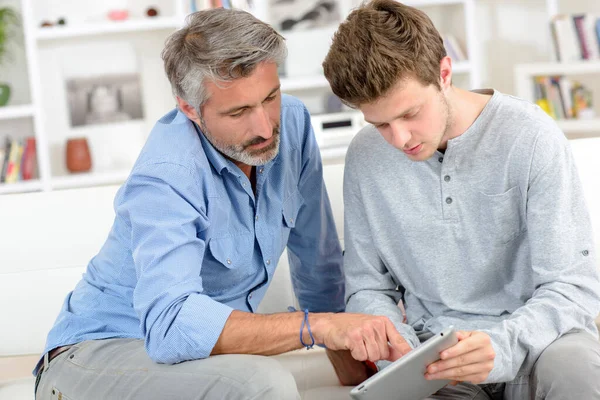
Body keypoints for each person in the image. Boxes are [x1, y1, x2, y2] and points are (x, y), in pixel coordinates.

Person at [33, 8, 409, 400]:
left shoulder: (293, 124)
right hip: (95, 357)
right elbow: (170, 324)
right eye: (238, 112)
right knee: (262, 381)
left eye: (270, 97)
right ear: (190, 109)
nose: (264, 128)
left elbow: (318, 261)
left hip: (192, 363)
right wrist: (315, 326)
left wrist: (350, 357)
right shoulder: (166, 175)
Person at [322, 0, 600, 399]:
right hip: (437, 356)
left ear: (445, 73)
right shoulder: (365, 158)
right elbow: (368, 288)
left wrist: (501, 346)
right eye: (380, 123)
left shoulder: (531, 136)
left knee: (577, 371)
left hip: (539, 343)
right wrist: (398, 352)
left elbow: (572, 285)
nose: (399, 139)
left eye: (410, 113)